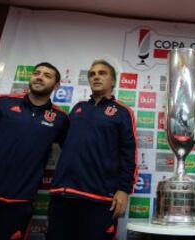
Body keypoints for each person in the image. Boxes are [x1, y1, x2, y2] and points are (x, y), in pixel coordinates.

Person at [47, 59, 137, 240]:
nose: (96, 77)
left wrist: (124, 190)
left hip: (99, 198)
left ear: (113, 81)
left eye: (102, 73)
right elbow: (66, 144)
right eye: (92, 74)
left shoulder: (122, 111)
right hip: (63, 195)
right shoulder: (78, 108)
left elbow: (129, 153)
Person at [0, 62, 68, 240]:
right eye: (37, 73)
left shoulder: (60, 118)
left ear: (57, 85)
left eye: (47, 75)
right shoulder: (3, 102)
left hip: (18, 201)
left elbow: (74, 152)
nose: (39, 76)